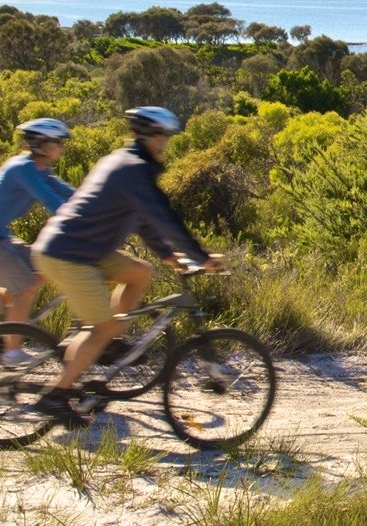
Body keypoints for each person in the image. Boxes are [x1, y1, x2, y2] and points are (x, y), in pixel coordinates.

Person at [30, 106, 223, 425]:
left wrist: (167, 255)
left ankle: (111, 339)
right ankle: (57, 395)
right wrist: (201, 256)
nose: (165, 143)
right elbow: (164, 218)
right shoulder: (134, 169)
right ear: (147, 135)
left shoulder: (121, 161)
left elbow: (142, 219)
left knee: (139, 272)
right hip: (69, 253)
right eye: (161, 136)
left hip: (81, 249)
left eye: (166, 137)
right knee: (102, 328)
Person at [0, 118, 75, 363]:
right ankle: (12, 352)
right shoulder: (23, 168)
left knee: (42, 266)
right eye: (58, 141)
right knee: (26, 287)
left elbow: (73, 195)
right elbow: (53, 202)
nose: (62, 146)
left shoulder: (41, 170)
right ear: (42, 144)